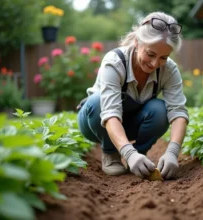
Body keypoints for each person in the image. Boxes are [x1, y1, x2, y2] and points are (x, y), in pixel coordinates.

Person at [77, 11, 189, 180]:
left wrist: (173, 152)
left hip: (131, 123)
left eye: (163, 57)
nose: (155, 63)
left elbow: (178, 112)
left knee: (160, 110)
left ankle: (140, 155)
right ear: (137, 43)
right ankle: (110, 153)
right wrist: (127, 152)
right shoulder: (115, 62)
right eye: (150, 54)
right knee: (97, 101)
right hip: (94, 122)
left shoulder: (169, 70)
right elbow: (109, 113)